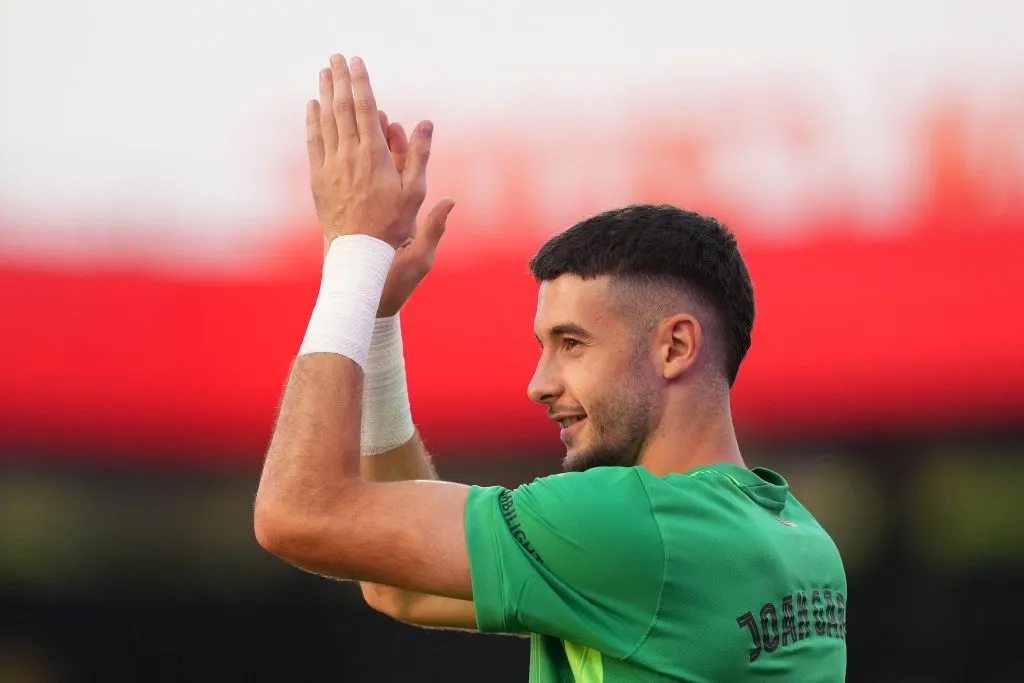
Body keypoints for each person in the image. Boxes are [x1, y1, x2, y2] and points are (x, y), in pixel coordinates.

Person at [255, 54, 848, 682]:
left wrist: (353, 254)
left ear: (675, 347)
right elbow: (398, 584)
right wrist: (376, 325)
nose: (540, 383)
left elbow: (299, 513)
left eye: (572, 343)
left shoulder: (625, 525)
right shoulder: (799, 538)